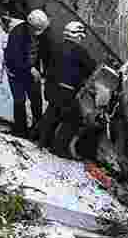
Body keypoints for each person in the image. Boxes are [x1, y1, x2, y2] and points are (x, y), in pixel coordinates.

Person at [38, 21, 97, 156]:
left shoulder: (57, 47)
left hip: (52, 87)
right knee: (73, 120)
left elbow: (48, 65)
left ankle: (42, 141)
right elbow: (91, 68)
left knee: (52, 113)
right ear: (77, 36)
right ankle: (59, 149)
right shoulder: (80, 51)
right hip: (67, 91)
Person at [4, 9, 50, 139]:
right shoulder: (17, 33)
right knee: (19, 100)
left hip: (31, 73)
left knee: (36, 101)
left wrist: (44, 71)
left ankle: (37, 130)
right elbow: (14, 56)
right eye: (35, 29)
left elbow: (46, 53)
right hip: (16, 72)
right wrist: (30, 68)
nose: (37, 33)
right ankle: (20, 130)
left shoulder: (42, 35)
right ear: (29, 25)